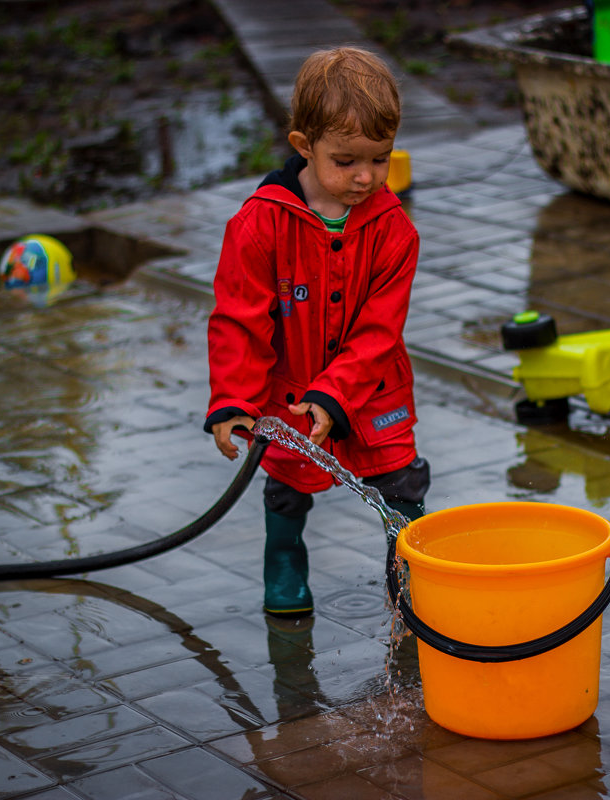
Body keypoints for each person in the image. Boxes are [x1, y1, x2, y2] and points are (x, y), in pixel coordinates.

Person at [204, 47, 429, 617]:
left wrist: (338, 391)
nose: (365, 177)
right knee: (286, 483)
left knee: (401, 484)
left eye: (380, 160)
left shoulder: (393, 231)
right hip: (289, 393)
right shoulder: (259, 225)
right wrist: (233, 400)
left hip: (374, 388)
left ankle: (412, 579)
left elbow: (381, 329)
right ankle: (283, 559)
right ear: (304, 146)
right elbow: (239, 321)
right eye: (347, 160)